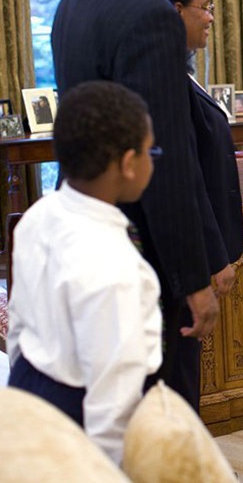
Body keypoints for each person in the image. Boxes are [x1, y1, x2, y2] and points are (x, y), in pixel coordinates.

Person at [51, 0, 225, 407]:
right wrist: (193, 278)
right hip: (142, 248)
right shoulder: (151, 11)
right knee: (163, 399)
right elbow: (164, 157)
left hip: (86, 228)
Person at [6, 81, 162, 464]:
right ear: (128, 164)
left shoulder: (38, 216)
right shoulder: (116, 265)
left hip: (28, 385)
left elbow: (19, 326)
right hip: (81, 413)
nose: (152, 161)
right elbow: (114, 396)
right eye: (150, 151)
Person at [165, 0, 243, 410]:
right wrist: (213, 257)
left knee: (185, 371)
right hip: (189, 256)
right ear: (177, 10)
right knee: (178, 374)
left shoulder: (183, 70)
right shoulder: (167, 80)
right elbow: (186, 177)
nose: (212, 17)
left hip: (197, 251)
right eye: (206, 7)